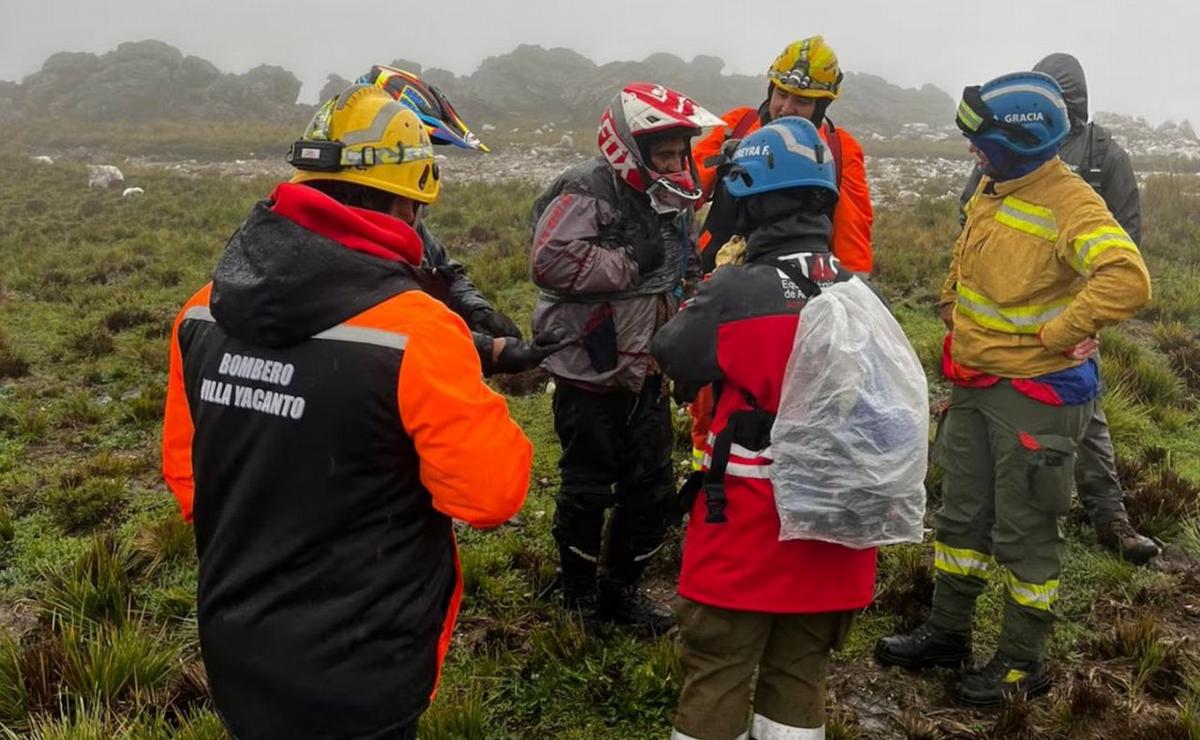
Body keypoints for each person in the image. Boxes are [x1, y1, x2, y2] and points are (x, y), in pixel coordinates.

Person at [161, 84, 532, 739]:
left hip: (238, 647)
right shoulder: (418, 332)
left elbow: (188, 476)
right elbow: (490, 495)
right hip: (364, 664)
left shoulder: (200, 312)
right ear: (405, 202)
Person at [876, 71, 1151, 707]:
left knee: (1026, 531)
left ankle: (1022, 663)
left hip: (1035, 396)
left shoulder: (1071, 203)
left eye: (983, 140)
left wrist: (1063, 330)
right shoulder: (993, 185)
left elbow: (1127, 278)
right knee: (961, 516)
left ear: (1020, 143)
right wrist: (950, 303)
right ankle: (948, 634)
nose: (972, 148)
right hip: (976, 384)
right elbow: (968, 255)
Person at [652, 116, 877, 740]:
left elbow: (674, 354)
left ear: (750, 202)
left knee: (719, 674)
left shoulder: (736, 292)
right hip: (837, 534)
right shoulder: (862, 296)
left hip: (749, 530)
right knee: (801, 677)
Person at [529, 82, 720, 632]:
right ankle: (577, 596)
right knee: (587, 487)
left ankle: (621, 593)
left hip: (648, 369)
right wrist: (632, 259)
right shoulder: (587, 190)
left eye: (680, 152)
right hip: (589, 368)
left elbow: (688, 269)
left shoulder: (676, 197)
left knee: (652, 489)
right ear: (630, 149)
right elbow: (549, 261)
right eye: (665, 154)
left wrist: (686, 344)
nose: (676, 163)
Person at [954, 53, 1156, 564]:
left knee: (1087, 417)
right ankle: (996, 513)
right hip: (1000, 335)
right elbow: (971, 210)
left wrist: (1083, 315)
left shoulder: (1102, 155)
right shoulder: (998, 151)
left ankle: (1110, 517)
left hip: (1072, 318)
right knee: (1005, 431)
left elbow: (1126, 238)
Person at [686, 35, 875, 472]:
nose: (786, 107)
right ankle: (705, 472)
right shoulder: (736, 127)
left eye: (802, 101)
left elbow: (852, 236)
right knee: (708, 395)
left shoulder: (840, 150)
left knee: (780, 391)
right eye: (781, 94)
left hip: (791, 291)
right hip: (721, 277)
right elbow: (687, 188)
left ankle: (773, 475)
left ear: (822, 105)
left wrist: (853, 308)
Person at [361, 63, 565, 376]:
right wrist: (489, 350)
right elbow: (387, 324)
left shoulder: (403, 216)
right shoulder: (331, 230)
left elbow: (442, 268)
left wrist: (477, 310)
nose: (409, 211)